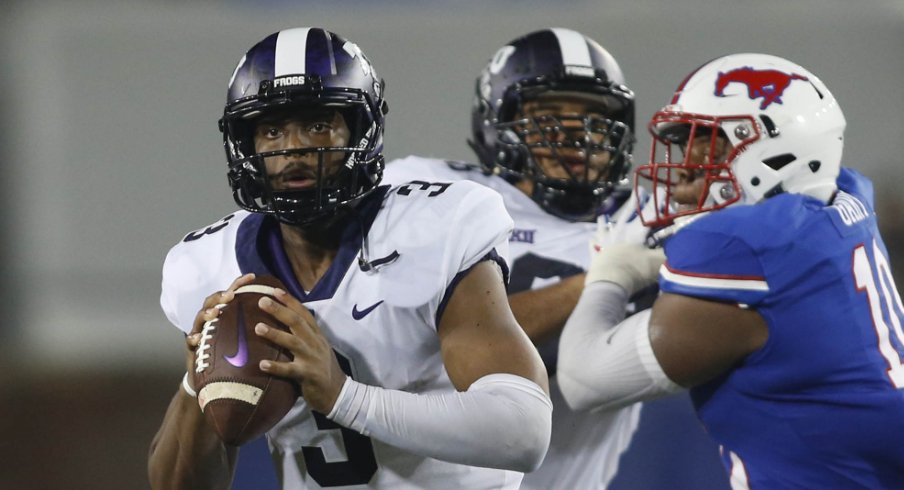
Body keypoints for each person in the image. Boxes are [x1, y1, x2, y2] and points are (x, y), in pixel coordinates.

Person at [147, 27, 553, 490]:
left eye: (318, 124)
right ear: (246, 144)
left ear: (362, 130)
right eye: (272, 129)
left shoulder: (435, 229)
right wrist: (197, 382)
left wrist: (344, 397)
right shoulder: (207, 265)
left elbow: (524, 430)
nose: (293, 148)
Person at [557, 52, 904, 488]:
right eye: (687, 145)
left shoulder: (741, 244)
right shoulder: (846, 196)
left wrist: (611, 275)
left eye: (709, 145)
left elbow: (584, 379)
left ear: (777, 150)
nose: (685, 167)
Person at [384, 28, 649, 489]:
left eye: (594, 115)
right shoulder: (430, 193)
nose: (576, 131)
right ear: (496, 121)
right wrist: (604, 279)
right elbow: (428, 349)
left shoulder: (647, 219)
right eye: (548, 113)